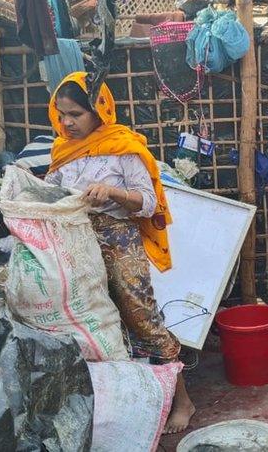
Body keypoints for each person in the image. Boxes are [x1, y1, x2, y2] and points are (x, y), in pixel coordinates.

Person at [44, 72, 195, 434]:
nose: (66, 123)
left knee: (141, 318)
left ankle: (182, 400)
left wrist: (112, 194)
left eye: (75, 114)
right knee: (96, 324)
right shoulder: (62, 150)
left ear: (99, 110)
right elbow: (51, 194)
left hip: (119, 239)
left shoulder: (123, 147)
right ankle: (129, 403)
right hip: (77, 241)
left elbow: (148, 203)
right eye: (61, 114)